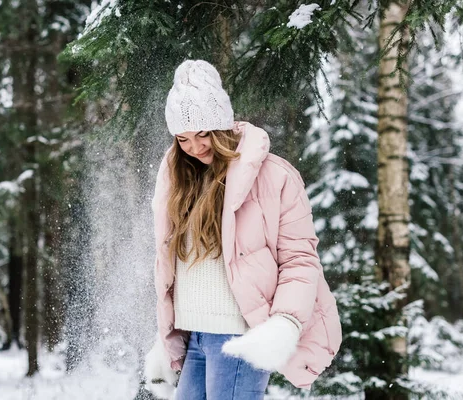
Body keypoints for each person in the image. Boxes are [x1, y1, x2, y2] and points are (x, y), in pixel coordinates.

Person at [144, 60, 342, 400]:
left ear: (221, 125)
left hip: (238, 335)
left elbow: (300, 259)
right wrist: (167, 338)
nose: (194, 147)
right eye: (183, 138)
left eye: (203, 133)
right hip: (196, 335)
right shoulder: (181, 180)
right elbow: (175, 265)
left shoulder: (274, 176)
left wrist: (285, 322)